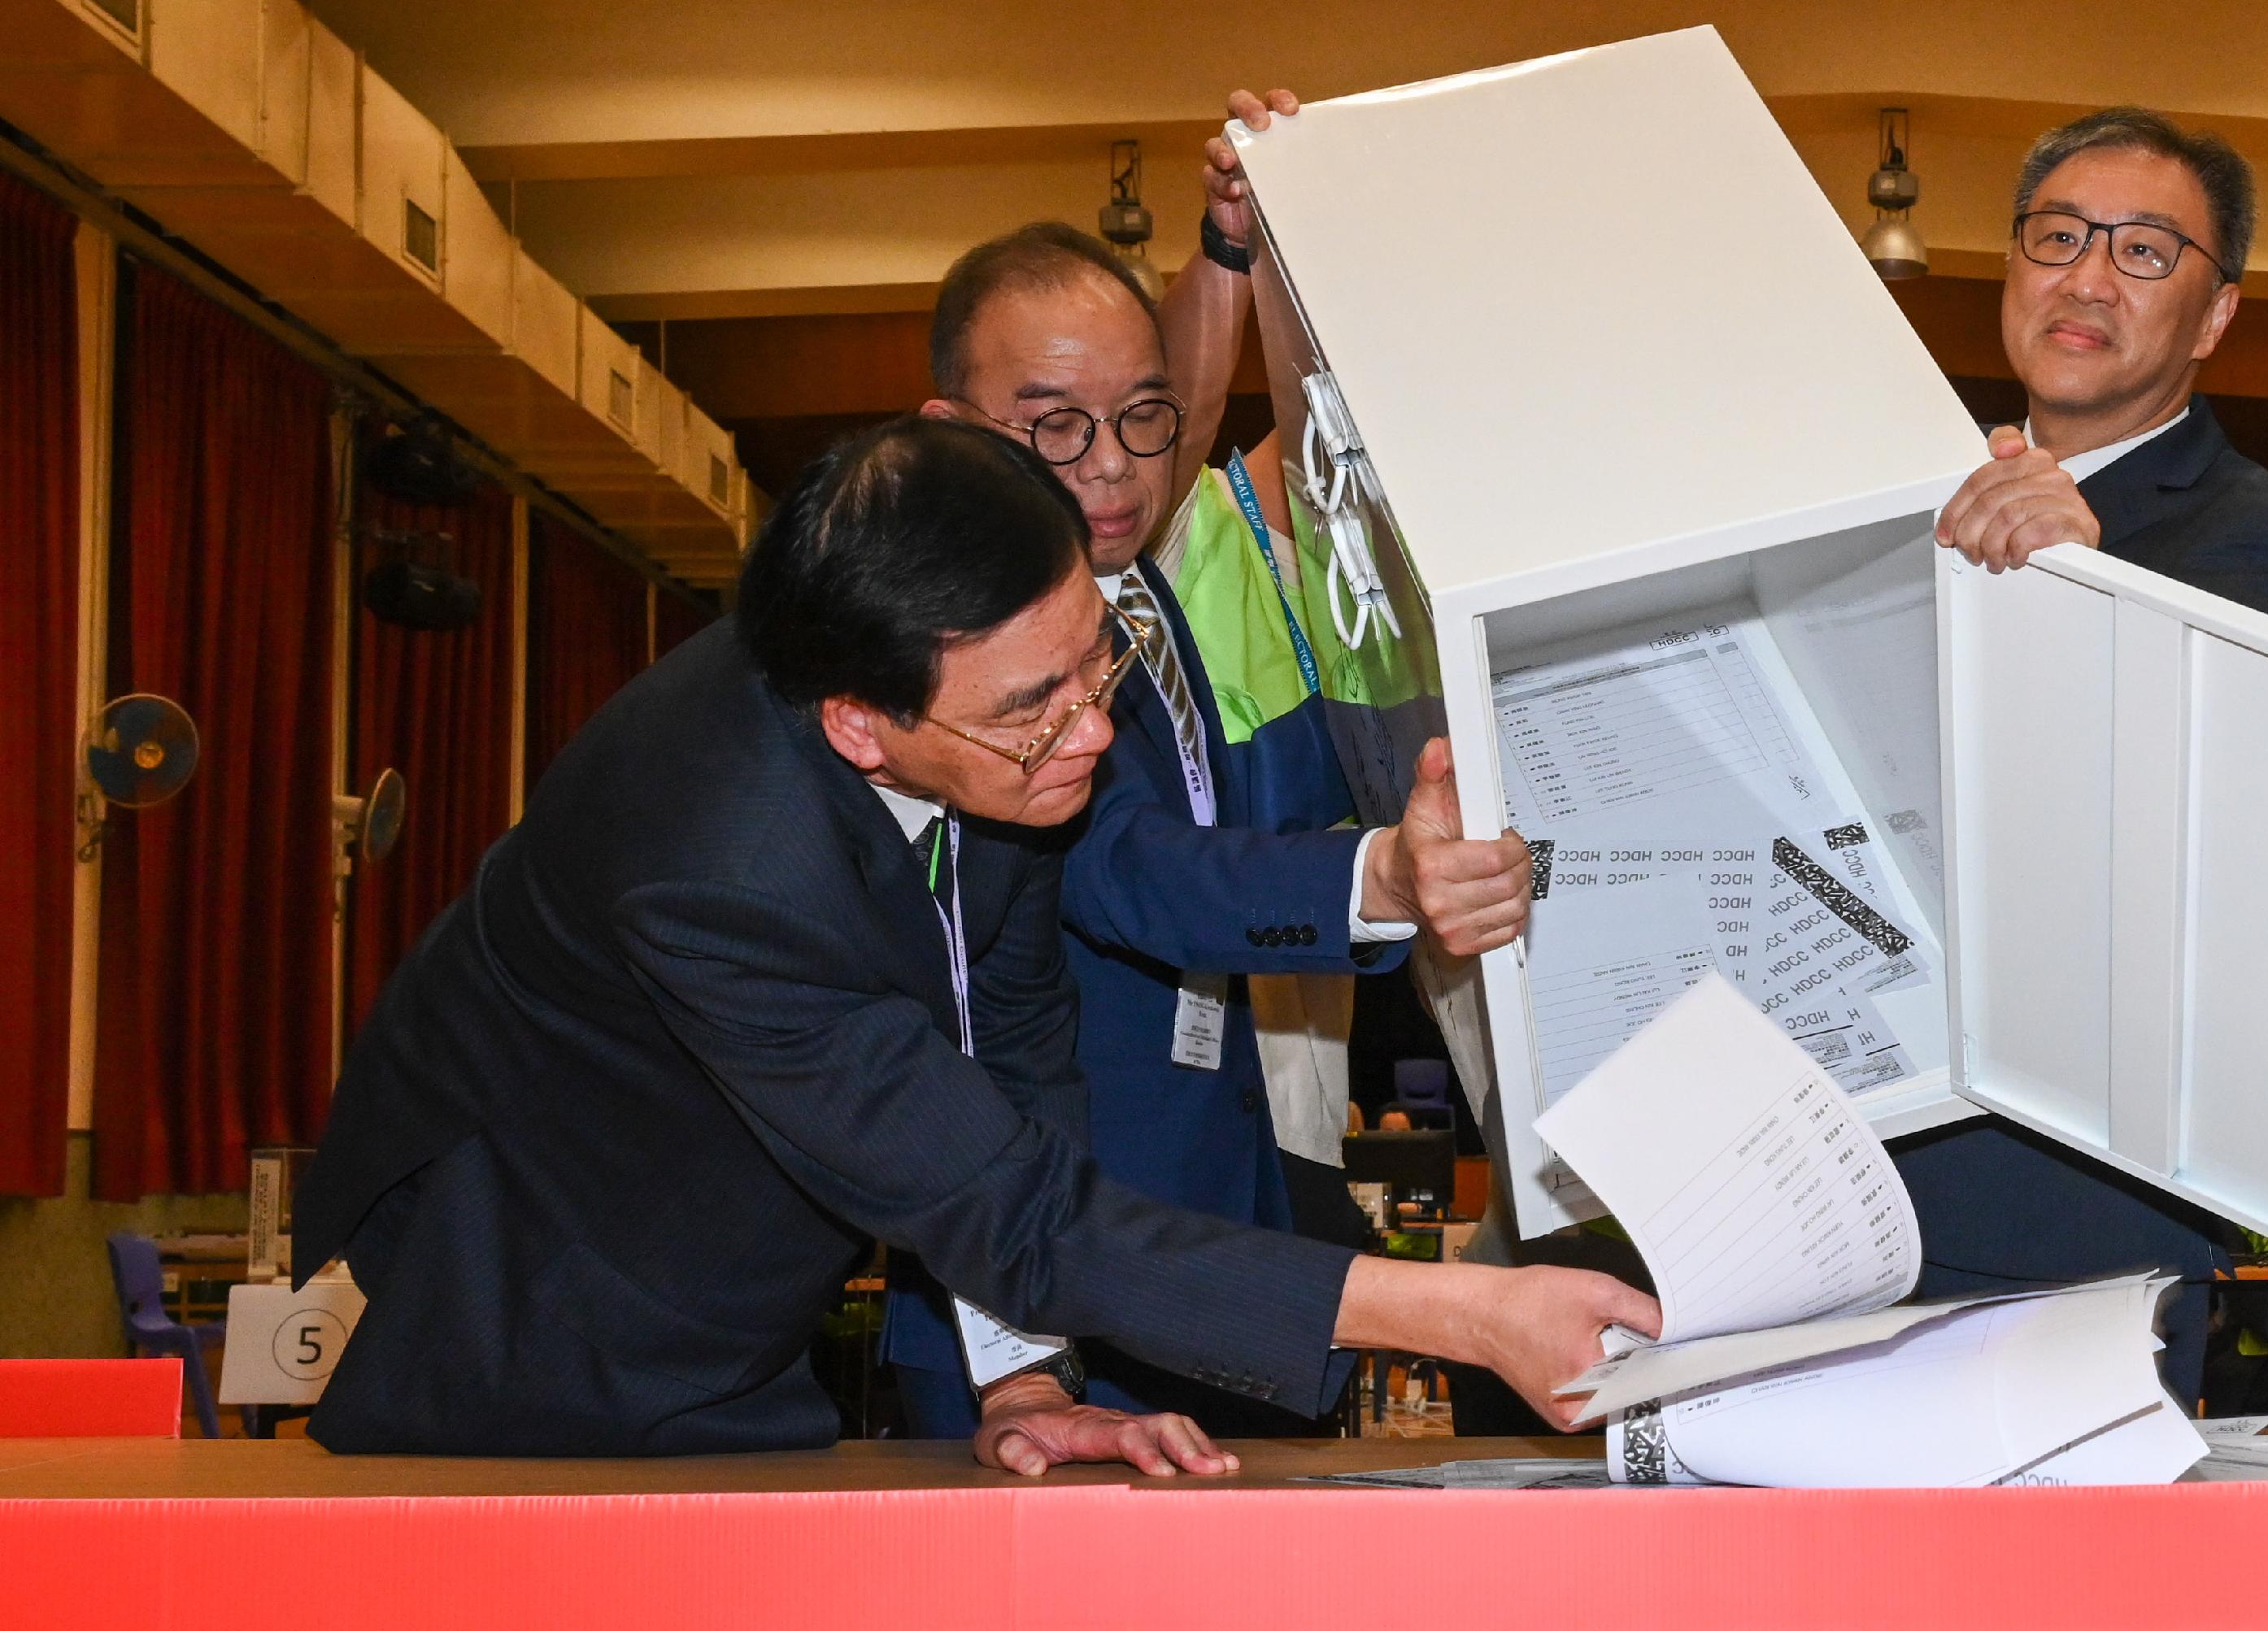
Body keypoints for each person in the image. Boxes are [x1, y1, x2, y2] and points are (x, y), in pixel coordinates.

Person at [294, 417, 1648, 1462]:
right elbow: (1012, 1205)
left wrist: (1023, 1371)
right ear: (855, 721)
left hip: (743, 1316)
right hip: (540, 1339)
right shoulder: (722, 868)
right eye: (1035, 707)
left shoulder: (986, 734)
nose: (1095, 732)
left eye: (1096, 662)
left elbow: (1008, 1037)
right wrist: (1467, 1314)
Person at [887, 191, 1534, 1436]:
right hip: (1042, 1284)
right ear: (955, 435)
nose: (1116, 467)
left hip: (1206, 1238)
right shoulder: (956, 649)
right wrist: (1377, 881)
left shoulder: (1125, 581)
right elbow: (1127, 866)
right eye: (1056, 429)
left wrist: (1232, 248)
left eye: (1144, 420)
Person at [1896, 109, 2268, 1406]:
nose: (2087, 275)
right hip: (1852, 1179)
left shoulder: (2256, 544)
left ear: (2213, 317)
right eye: (2059, 236)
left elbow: (2200, 873)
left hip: (2072, 1217)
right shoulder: (1896, 485)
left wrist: (2091, 584)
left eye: (2145, 252)